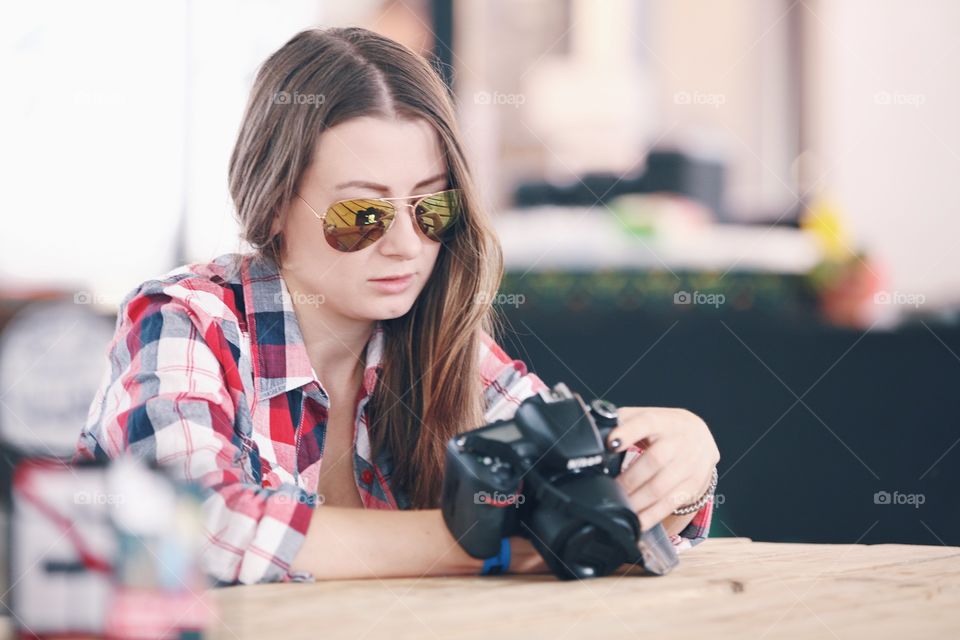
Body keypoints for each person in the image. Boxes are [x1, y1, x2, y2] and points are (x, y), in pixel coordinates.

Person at [75, 27, 720, 585]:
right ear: (273, 206)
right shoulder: (185, 321)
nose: (407, 246)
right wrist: (486, 545)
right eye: (363, 213)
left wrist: (686, 466)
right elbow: (187, 528)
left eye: (431, 207)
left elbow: (592, 502)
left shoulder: (438, 336)